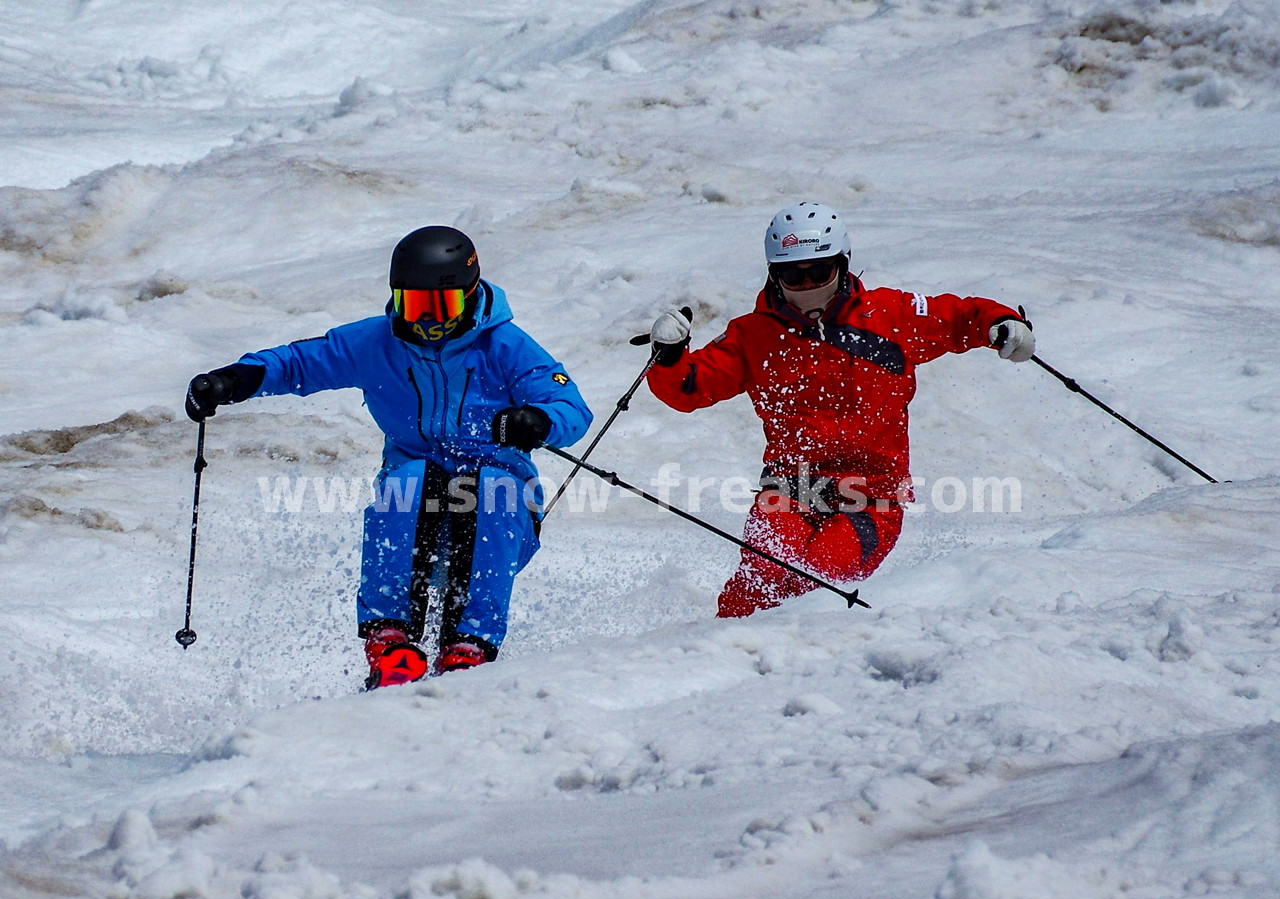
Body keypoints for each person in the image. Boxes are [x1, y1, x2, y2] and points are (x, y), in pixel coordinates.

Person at [184, 226, 593, 687]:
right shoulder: (379, 342)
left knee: (495, 492)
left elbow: (572, 408)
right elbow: (298, 362)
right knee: (406, 483)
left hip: (501, 491)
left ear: (471, 294)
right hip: (418, 486)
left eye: (442, 307)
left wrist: (538, 420)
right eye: (414, 306)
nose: (426, 322)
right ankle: (391, 641)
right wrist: (231, 381)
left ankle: (470, 645)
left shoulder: (505, 346)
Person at [645, 201, 1034, 618]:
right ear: (774, 274)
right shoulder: (752, 335)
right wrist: (667, 359)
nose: (807, 283)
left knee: (820, 582)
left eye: (820, 270)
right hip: (788, 491)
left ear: (843, 264)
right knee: (759, 582)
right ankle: (720, 656)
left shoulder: (890, 315)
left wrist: (1003, 322)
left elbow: (958, 316)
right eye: (793, 274)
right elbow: (690, 387)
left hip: (874, 499)